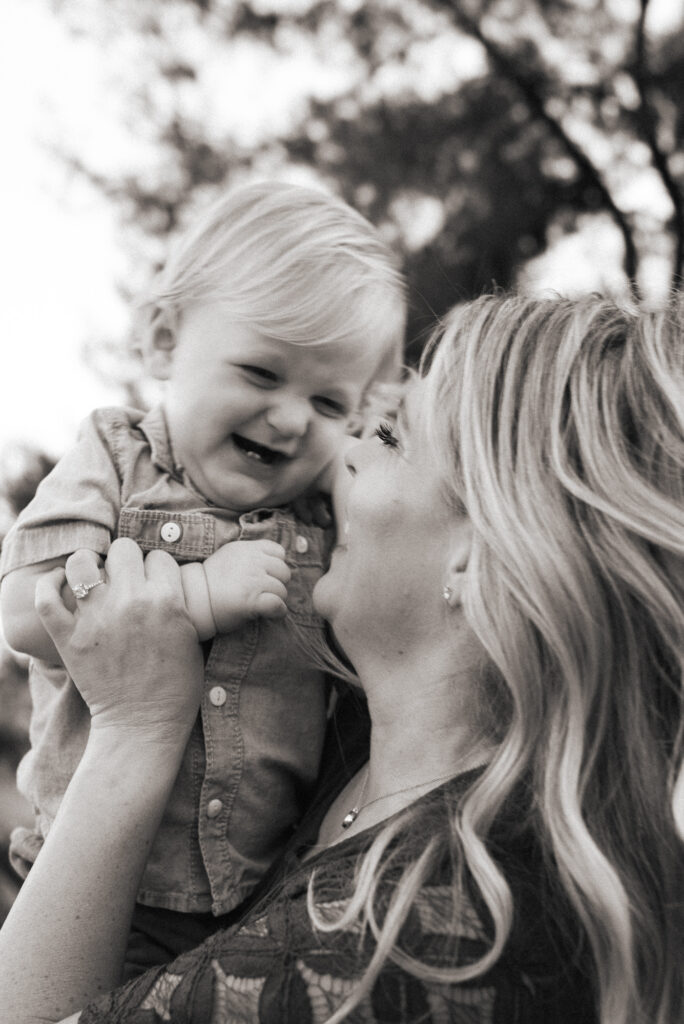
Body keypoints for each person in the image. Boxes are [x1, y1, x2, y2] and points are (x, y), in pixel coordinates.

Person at [1, 292, 682, 1024]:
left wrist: (135, 729)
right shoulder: (354, 751)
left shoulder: (404, 957)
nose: (342, 453)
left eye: (389, 437)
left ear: (478, 559)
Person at [0, 180, 406, 972]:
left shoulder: (323, 515)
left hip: (258, 891)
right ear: (162, 340)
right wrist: (200, 596)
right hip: (102, 879)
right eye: (260, 373)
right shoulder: (117, 460)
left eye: (328, 402)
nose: (289, 418)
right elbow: (25, 610)